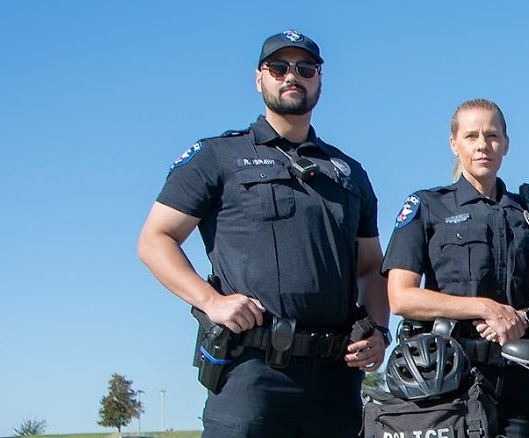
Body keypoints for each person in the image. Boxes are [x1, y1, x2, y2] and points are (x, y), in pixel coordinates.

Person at [136, 30, 389, 437]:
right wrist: (211, 301)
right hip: (250, 376)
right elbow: (155, 240)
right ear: (260, 78)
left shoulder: (348, 172)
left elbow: (370, 267)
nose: (293, 76)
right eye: (279, 67)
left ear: (319, 79)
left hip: (335, 379)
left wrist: (379, 329)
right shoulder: (218, 156)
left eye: (306, 68)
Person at [380, 99, 529, 438]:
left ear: (507, 143)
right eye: (471, 136)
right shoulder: (428, 205)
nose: (483, 145)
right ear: (454, 143)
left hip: (520, 379)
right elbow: (401, 298)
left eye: (492, 135)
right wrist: (483, 308)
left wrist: (523, 319)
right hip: (448, 377)